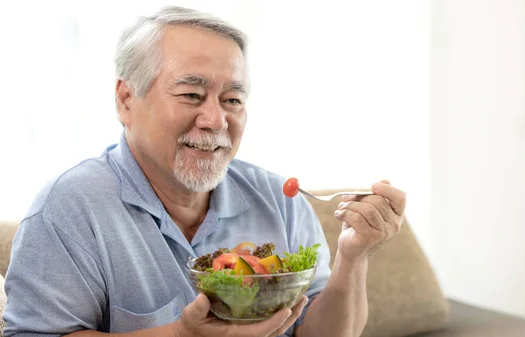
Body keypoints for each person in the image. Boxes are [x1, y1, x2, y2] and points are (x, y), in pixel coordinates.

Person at [2, 5, 406, 337]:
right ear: (126, 100)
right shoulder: (68, 207)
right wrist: (182, 335)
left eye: (232, 99)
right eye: (192, 94)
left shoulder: (278, 199)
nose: (215, 119)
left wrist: (353, 257)